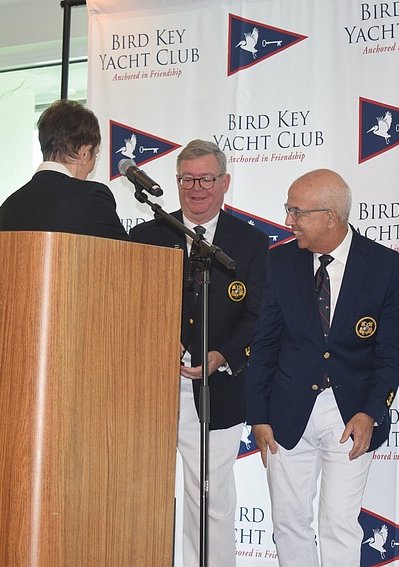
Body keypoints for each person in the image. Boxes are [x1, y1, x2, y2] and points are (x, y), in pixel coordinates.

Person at [246, 169, 399, 567]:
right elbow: (265, 343)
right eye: (288, 210)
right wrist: (259, 415)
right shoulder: (280, 261)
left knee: (339, 523)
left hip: (352, 416)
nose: (288, 221)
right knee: (288, 522)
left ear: (331, 216)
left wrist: (371, 412)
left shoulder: (385, 265)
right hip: (286, 413)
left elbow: (391, 353)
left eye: (296, 212)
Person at [130, 139, 269, 567]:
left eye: (206, 179)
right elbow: (129, 306)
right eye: (187, 179)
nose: (196, 188)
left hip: (219, 393)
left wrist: (222, 355)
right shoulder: (147, 235)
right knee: (142, 497)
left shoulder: (250, 243)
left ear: (224, 182)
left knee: (211, 502)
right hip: (150, 390)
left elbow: (257, 317)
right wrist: (153, 339)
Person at [0, 99, 128, 240]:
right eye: (95, 154)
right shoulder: (91, 198)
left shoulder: (8, 207)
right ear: (84, 153)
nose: (92, 165)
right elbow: (126, 256)